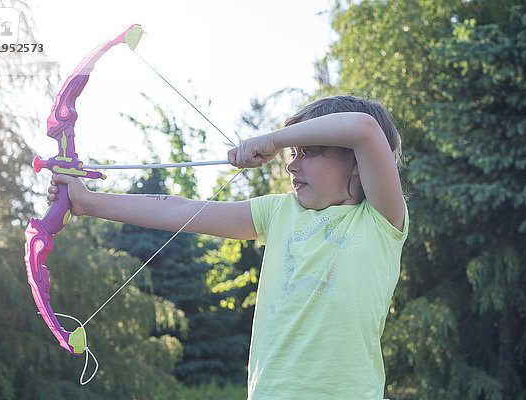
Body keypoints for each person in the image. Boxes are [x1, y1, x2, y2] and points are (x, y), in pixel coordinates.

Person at [48, 95, 408, 399]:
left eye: (307, 152)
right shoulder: (279, 212)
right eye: (292, 152)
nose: (291, 163)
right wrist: (87, 203)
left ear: (358, 162)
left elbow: (363, 129)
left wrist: (273, 139)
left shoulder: (381, 220)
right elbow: (181, 210)